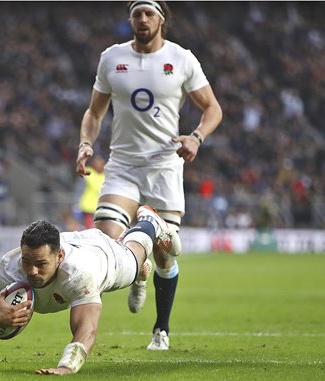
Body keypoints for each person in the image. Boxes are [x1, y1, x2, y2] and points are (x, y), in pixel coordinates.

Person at [75, 1, 222, 350]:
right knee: (106, 242)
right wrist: (84, 142)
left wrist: (196, 137)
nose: (142, 20)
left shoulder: (182, 59)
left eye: (148, 14)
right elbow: (94, 113)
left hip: (164, 167)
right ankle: (136, 270)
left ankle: (161, 329)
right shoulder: (112, 58)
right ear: (130, 20)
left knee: (165, 255)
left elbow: (212, 108)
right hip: (123, 165)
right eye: (136, 14)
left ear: (161, 19)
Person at [0, 206, 178, 375]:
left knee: (134, 255)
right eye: (27, 261)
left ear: (59, 257)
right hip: (69, 243)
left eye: (41, 264)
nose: (32, 271)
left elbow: (87, 330)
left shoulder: (79, 272)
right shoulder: (8, 268)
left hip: (101, 255)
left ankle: (149, 222)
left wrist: (66, 366)